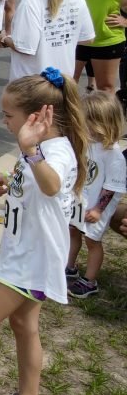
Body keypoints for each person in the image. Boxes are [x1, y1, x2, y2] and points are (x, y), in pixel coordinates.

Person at [0, 69, 86, 395]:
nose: (5, 121)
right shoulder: (38, 145)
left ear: (35, 117)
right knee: (23, 326)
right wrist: (5, 177)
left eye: (8, 115)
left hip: (30, 259)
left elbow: (52, 184)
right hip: (25, 252)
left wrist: (30, 152)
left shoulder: (54, 150)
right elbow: (31, 179)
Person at [66, 91, 126, 299]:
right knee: (73, 231)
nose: (84, 127)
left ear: (104, 123)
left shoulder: (113, 154)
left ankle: (90, 281)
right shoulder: (88, 143)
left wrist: (99, 209)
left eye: (88, 123)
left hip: (96, 207)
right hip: (81, 201)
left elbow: (112, 186)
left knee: (92, 240)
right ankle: (69, 267)